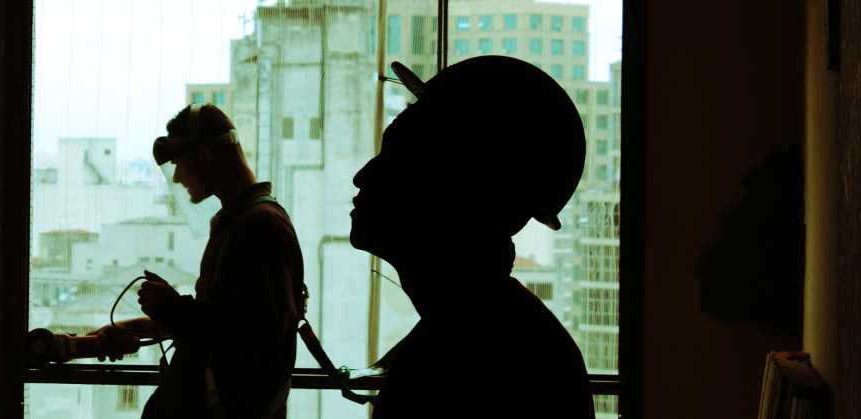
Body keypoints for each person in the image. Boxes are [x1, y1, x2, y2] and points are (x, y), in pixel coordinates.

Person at [350, 57, 595, 417]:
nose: (362, 176)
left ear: (460, 192)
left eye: (398, 160)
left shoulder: (482, 358)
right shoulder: (486, 336)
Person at [88, 103, 303, 419]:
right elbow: (214, 325)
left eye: (178, 164)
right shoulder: (240, 222)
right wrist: (125, 328)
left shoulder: (260, 226)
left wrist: (172, 307)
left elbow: (259, 327)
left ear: (203, 156)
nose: (176, 178)